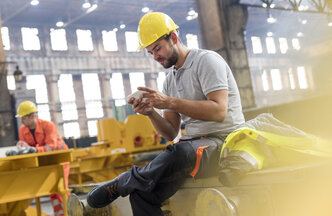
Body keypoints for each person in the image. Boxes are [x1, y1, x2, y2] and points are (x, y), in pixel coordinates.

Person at [82, 12, 245, 215]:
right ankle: (129, 182)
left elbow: (219, 111)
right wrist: (151, 113)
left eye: (157, 48)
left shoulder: (207, 61)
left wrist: (169, 102)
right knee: (142, 194)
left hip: (225, 143)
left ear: (174, 38)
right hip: (194, 147)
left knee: (180, 152)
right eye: (150, 52)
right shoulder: (169, 80)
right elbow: (170, 132)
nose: (155, 56)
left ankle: (124, 181)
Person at [16, 100, 70, 216]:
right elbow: (24, 147)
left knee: (61, 189)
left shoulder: (48, 125)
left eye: (23, 117)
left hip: (60, 159)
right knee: (52, 192)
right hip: (46, 162)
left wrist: (35, 150)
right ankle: (60, 214)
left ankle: (71, 212)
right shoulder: (22, 130)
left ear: (32, 116)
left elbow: (52, 146)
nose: (21, 120)